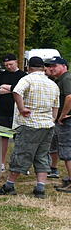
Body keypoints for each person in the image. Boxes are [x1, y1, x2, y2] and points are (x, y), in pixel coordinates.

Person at [0, 56, 59, 199]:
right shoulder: (52, 84)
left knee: (22, 153)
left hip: (30, 124)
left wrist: (22, 108)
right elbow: (56, 106)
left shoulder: (27, 79)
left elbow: (17, 91)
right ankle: (40, 188)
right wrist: (52, 119)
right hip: (47, 125)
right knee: (42, 155)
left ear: (29, 68)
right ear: (43, 68)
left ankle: (9, 185)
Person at [0, 53, 26, 172]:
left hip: (17, 111)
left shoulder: (23, 76)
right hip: (2, 110)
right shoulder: (1, 74)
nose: (8, 67)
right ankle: (1, 163)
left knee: (20, 139)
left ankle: (20, 164)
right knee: (3, 138)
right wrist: (11, 89)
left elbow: (22, 90)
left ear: (16, 62)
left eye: (10, 64)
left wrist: (7, 87)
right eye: (6, 65)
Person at [44, 56, 71, 192]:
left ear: (64, 66)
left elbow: (69, 97)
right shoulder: (62, 79)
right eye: (50, 66)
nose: (51, 68)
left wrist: (62, 115)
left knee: (67, 152)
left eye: (54, 66)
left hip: (68, 121)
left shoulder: (66, 78)